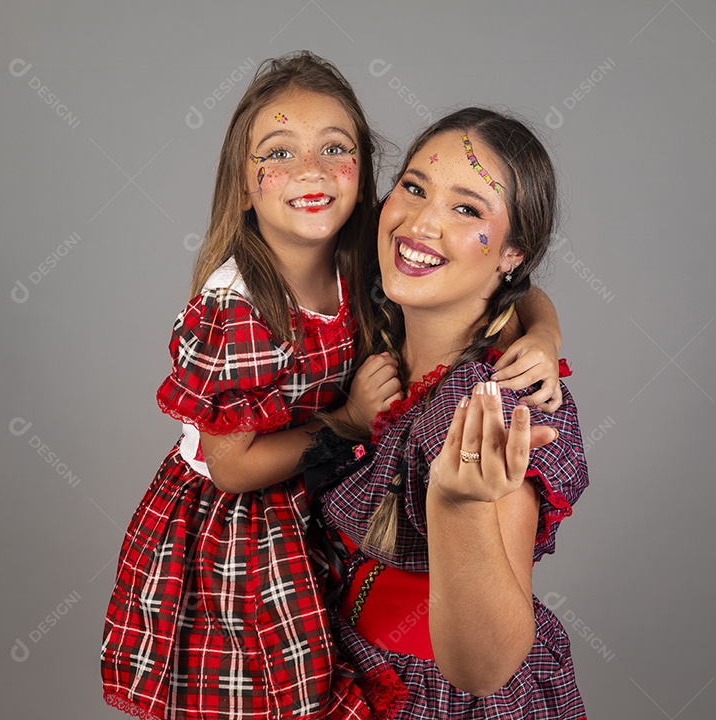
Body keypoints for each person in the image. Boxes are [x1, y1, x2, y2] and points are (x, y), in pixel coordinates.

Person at [101, 52, 567, 720]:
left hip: (335, 531)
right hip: (242, 521)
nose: (310, 172)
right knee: (272, 686)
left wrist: (545, 336)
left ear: (361, 178)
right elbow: (231, 466)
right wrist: (347, 418)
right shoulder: (244, 304)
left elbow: (513, 284)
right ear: (242, 185)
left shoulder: (374, 252)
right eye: (278, 153)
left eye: (334, 149)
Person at [310, 107, 589, 718]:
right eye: (413, 187)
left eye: (467, 209)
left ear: (513, 251)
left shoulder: (497, 400)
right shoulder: (375, 327)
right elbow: (524, 293)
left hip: (432, 697)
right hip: (350, 668)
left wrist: (455, 504)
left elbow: (485, 670)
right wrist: (545, 327)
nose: (421, 223)